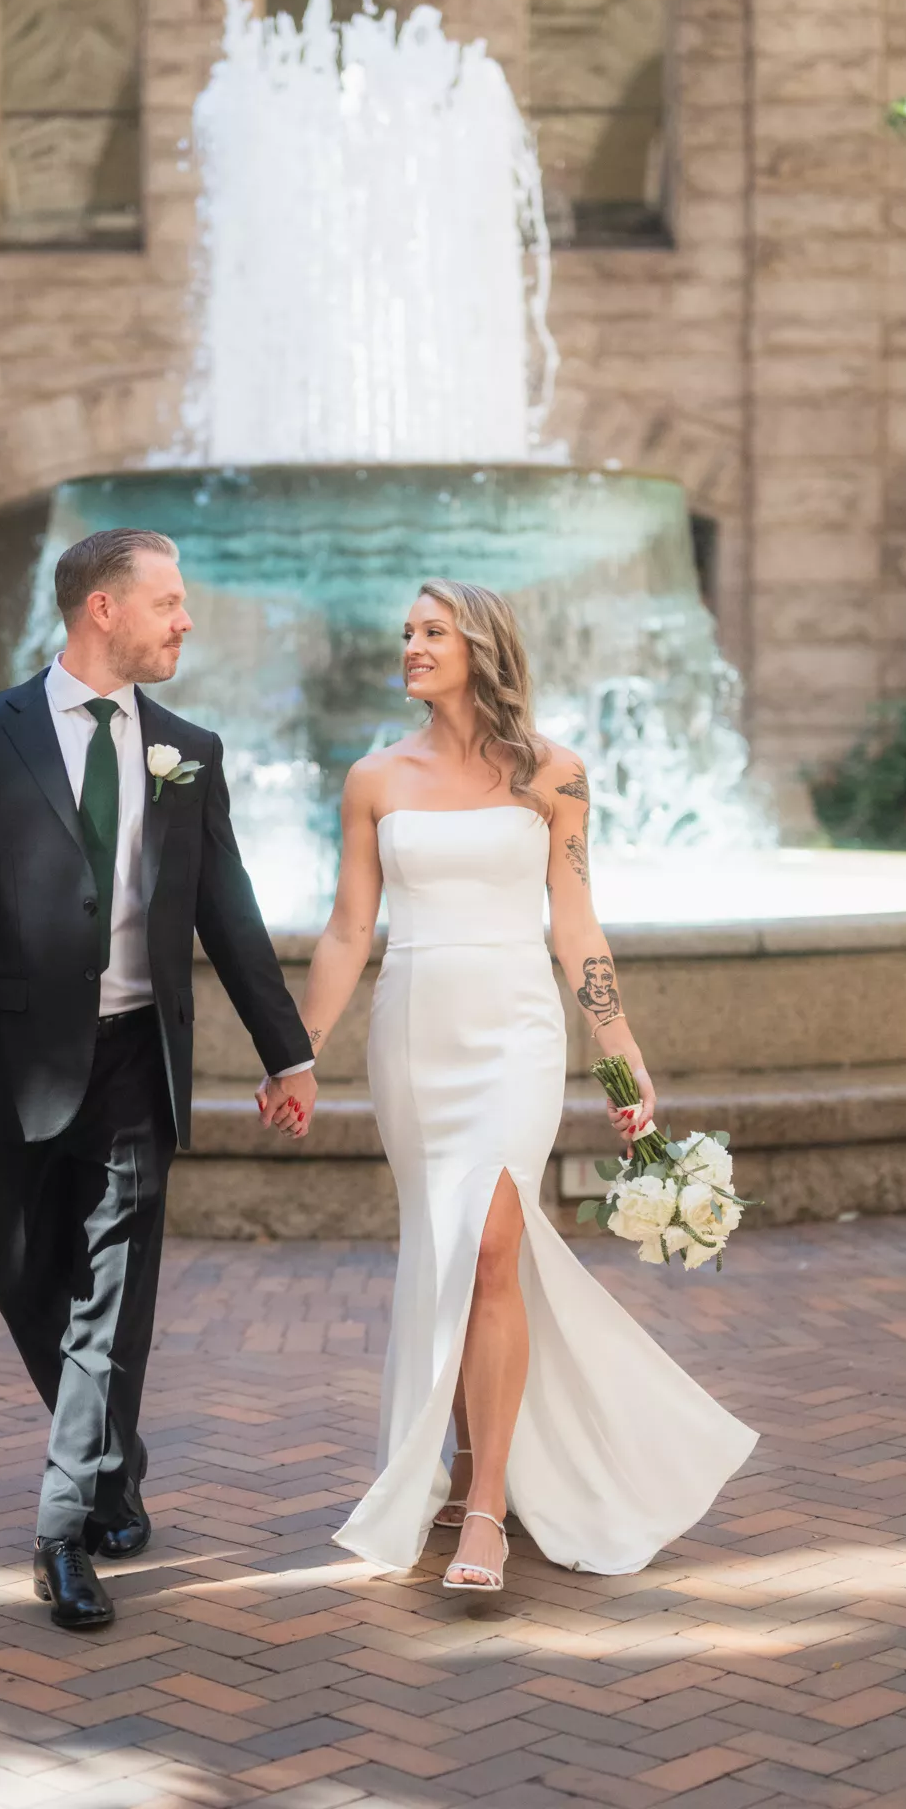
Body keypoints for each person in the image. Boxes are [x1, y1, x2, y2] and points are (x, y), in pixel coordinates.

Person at [274, 578, 756, 1590]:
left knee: (494, 1241)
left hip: (516, 1031)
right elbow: (349, 930)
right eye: (405, 632)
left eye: (431, 631)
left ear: (480, 646)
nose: (410, 646)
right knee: (451, 1252)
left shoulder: (554, 773)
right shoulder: (373, 777)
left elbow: (575, 926)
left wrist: (620, 1056)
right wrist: (298, 1052)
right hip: (415, 1036)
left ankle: (486, 1507)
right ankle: (463, 1465)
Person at [0, 527, 316, 1632]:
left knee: (110, 1302)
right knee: (14, 1272)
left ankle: (60, 1533)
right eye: (167, 602)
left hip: (138, 1057)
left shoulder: (188, 748)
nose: (185, 620)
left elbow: (228, 911)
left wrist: (286, 1051)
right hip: (16, 1063)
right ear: (103, 609)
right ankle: (109, 1463)